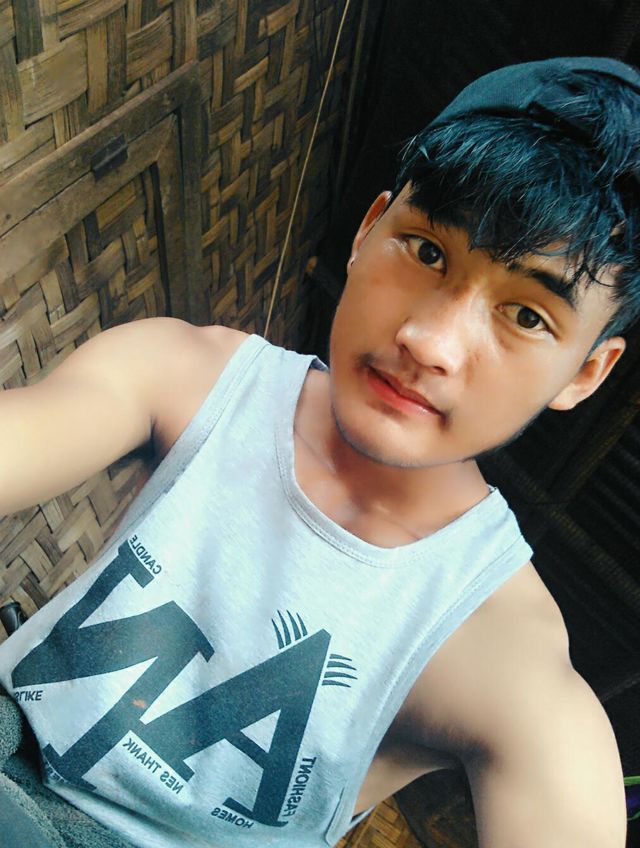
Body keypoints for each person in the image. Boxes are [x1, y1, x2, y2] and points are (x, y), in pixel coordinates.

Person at [0, 56, 637, 848]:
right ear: (368, 232)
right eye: (426, 251)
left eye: (527, 316)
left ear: (585, 374)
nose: (429, 342)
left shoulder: (496, 645)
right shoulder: (189, 376)